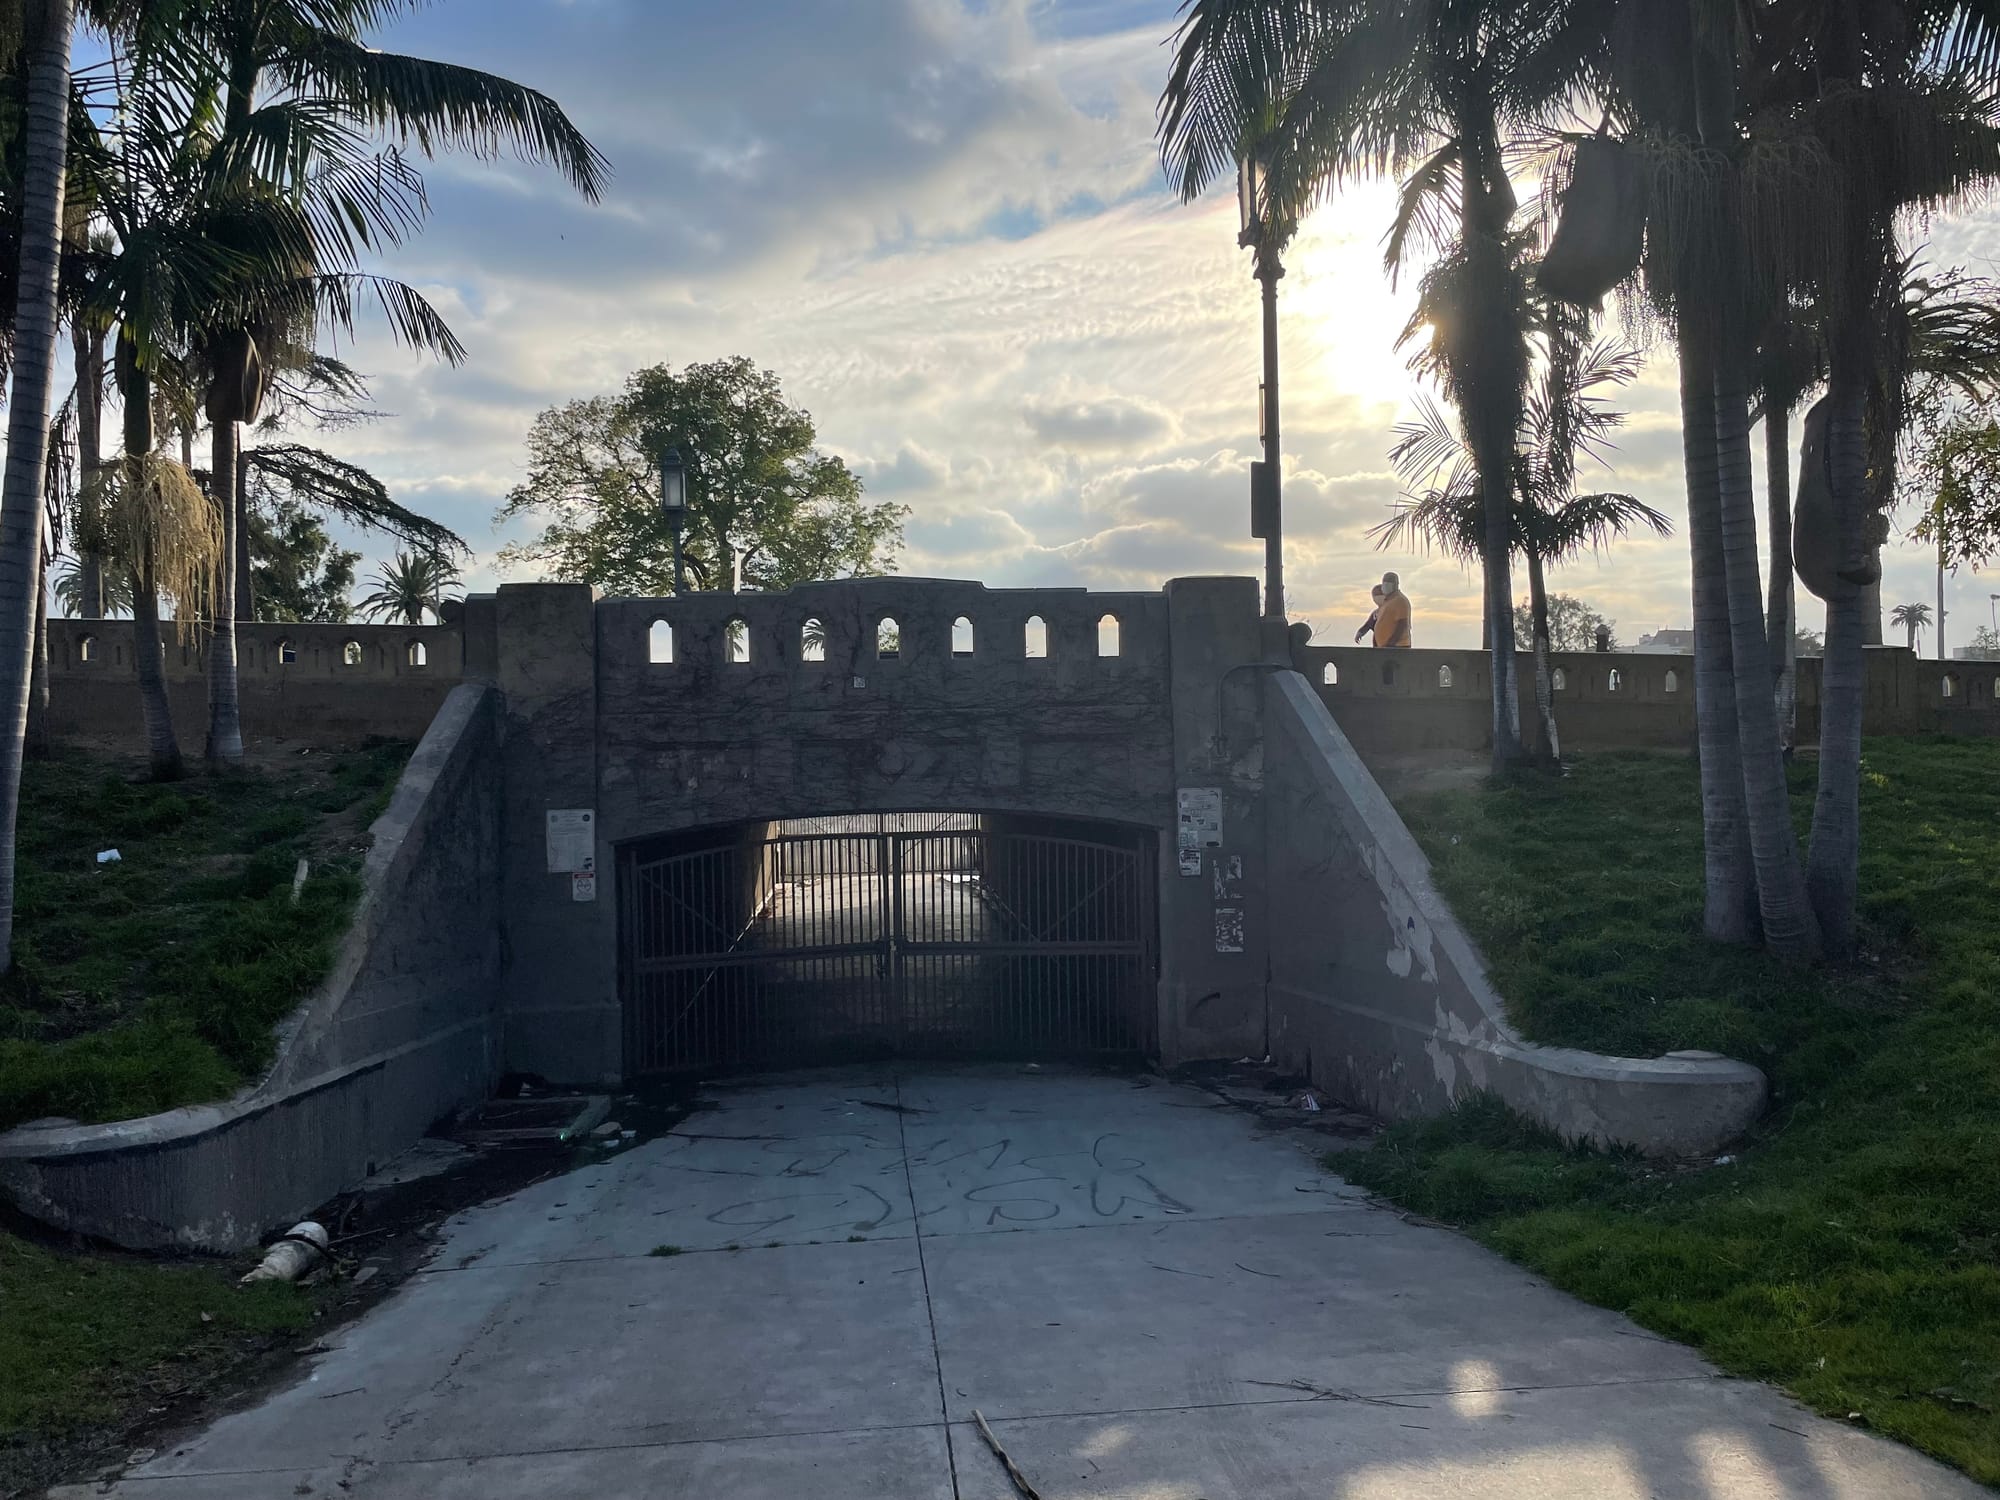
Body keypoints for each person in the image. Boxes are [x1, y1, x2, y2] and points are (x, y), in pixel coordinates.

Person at [1374, 571, 1411, 647]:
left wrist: (1390, 644)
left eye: (1389, 582)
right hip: (1384, 647)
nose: (1385, 585)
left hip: (1397, 647)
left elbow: (1402, 625)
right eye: (1384, 582)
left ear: (1396, 585)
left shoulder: (1400, 600)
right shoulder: (1387, 601)